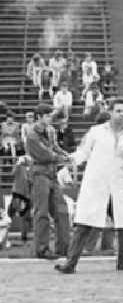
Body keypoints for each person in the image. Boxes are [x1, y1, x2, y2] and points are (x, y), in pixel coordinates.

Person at [55, 99, 123, 274]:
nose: (121, 115)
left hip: (117, 182)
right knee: (84, 222)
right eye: (118, 111)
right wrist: (71, 159)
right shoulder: (96, 132)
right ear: (110, 112)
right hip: (96, 182)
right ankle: (70, 263)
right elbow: (83, 152)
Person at [25, 104, 70, 259]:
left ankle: (64, 247)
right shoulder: (31, 135)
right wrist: (61, 158)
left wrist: (66, 154)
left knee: (61, 210)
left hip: (51, 174)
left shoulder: (50, 131)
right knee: (41, 212)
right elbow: (44, 155)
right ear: (39, 117)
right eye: (47, 115)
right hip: (39, 174)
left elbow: (55, 148)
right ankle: (42, 249)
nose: (50, 118)